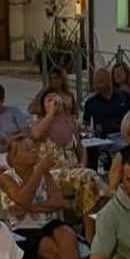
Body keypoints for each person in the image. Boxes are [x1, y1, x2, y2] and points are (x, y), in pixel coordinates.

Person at [31, 92, 105, 220]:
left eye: (56, 98)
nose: (54, 101)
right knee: (89, 176)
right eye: (49, 99)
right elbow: (36, 134)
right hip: (51, 174)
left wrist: (82, 163)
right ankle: (110, 197)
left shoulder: (72, 123)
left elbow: (81, 147)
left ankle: (90, 226)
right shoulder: (39, 124)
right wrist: (50, 113)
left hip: (72, 171)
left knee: (88, 182)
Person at [82, 67, 130, 138]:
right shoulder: (90, 102)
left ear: (109, 81)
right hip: (102, 140)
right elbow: (85, 127)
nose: (96, 86)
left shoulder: (124, 97)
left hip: (123, 136)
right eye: (95, 83)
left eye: (100, 82)